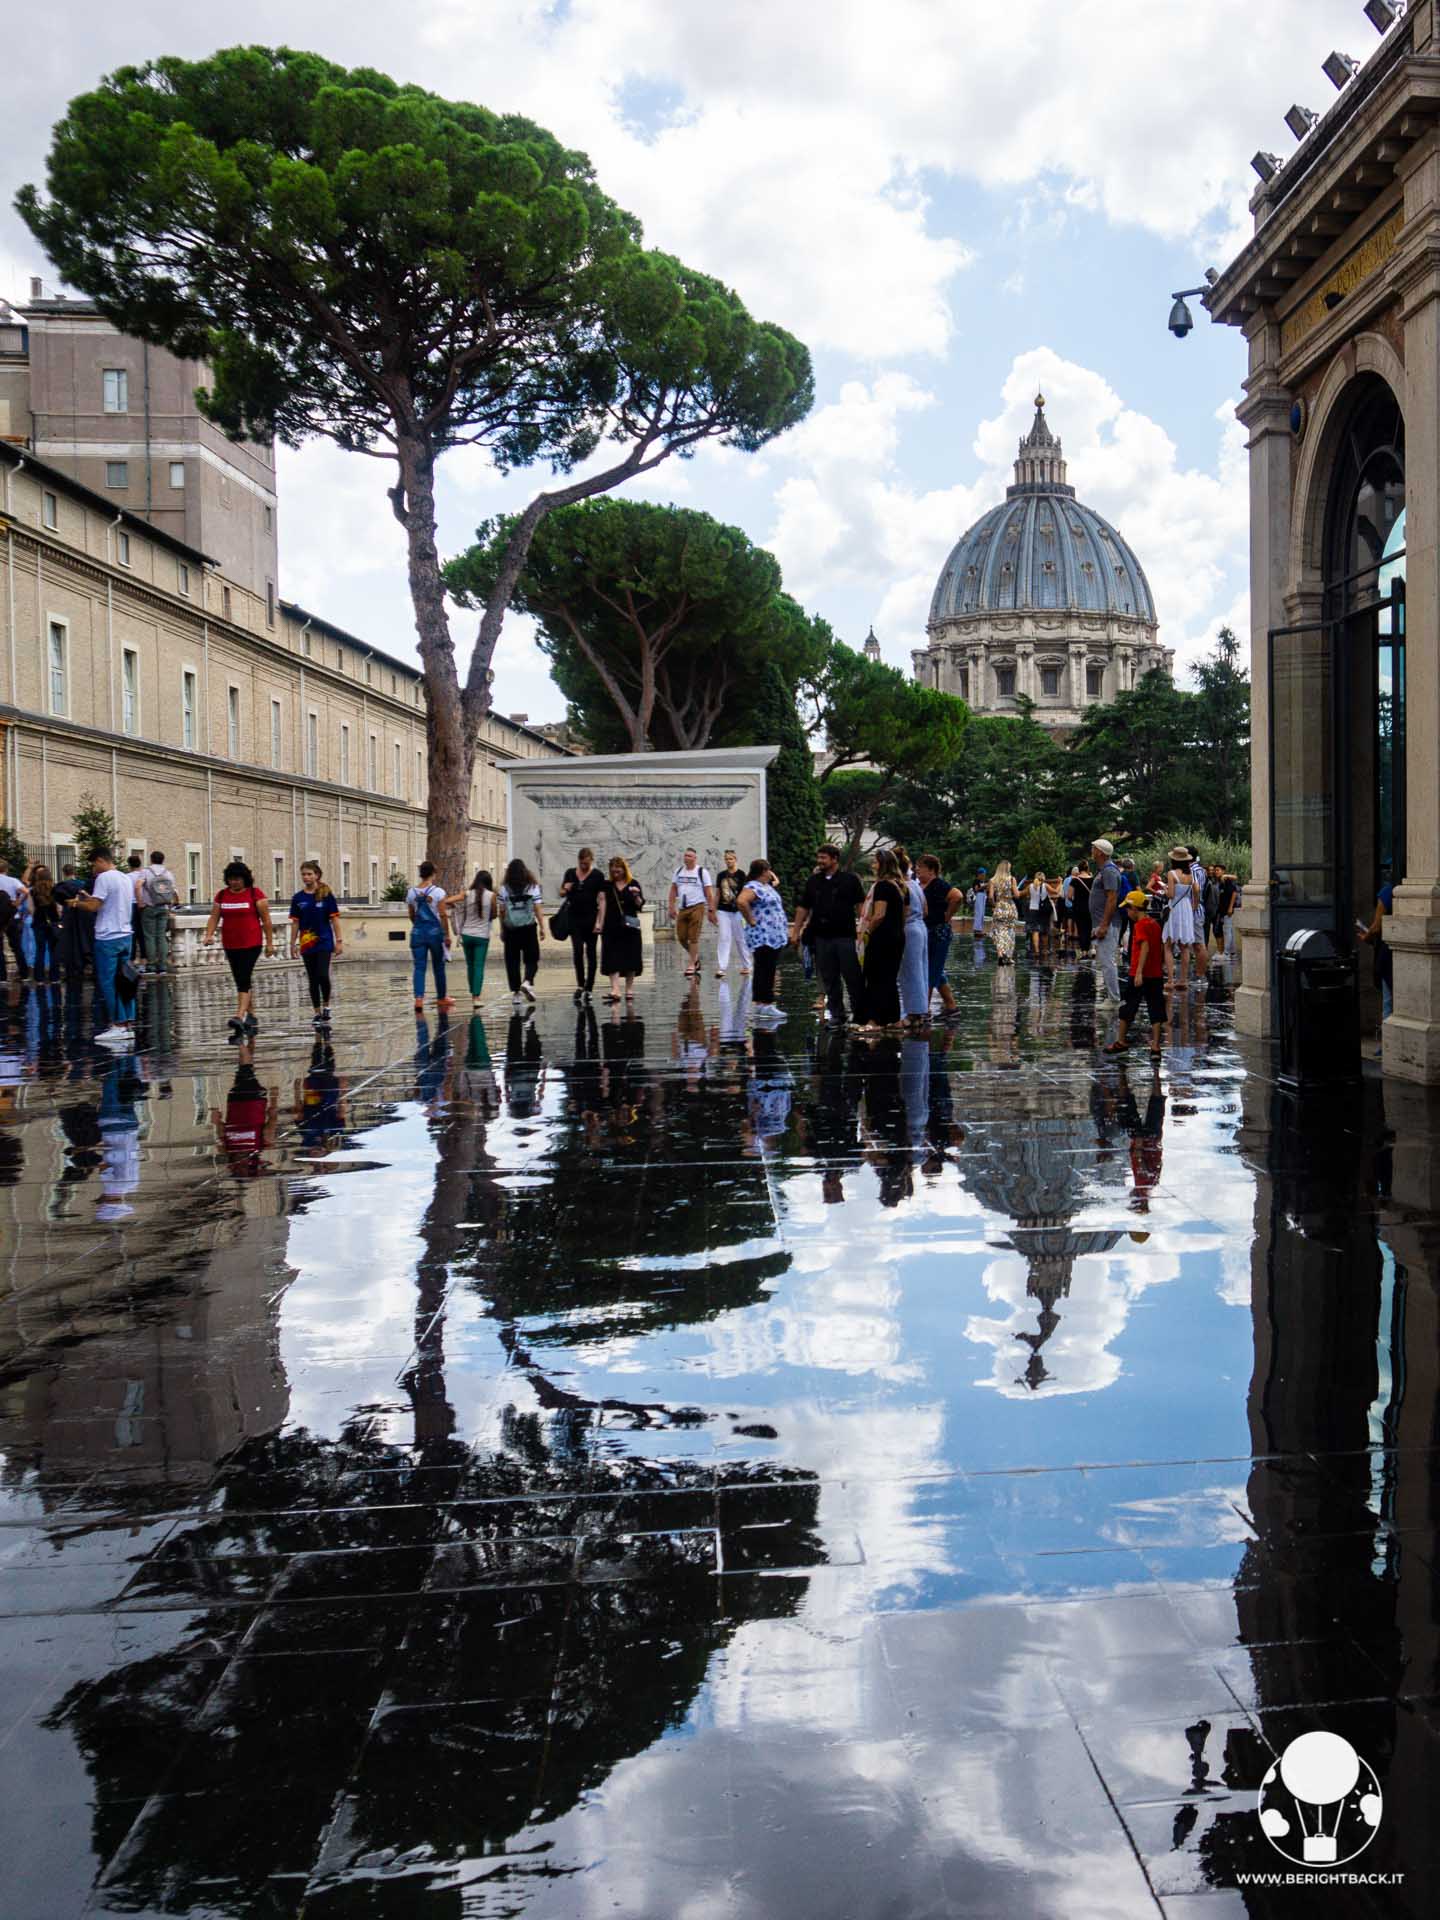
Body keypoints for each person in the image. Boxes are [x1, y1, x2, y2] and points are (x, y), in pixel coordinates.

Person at [793, 845, 866, 1024]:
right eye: (818, 857)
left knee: (852, 977)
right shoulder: (813, 881)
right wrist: (796, 930)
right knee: (829, 977)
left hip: (845, 936)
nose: (820, 861)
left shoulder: (850, 880)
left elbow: (860, 906)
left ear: (834, 859)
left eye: (823, 857)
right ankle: (837, 1015)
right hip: (821, 937)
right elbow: (803, 907)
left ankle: (860, 1014)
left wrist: (864, 929)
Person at [202, 860, 275, 1039]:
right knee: (240, 978)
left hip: (251, 943)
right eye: (231, 879)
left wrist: (270, 943)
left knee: (243, 976)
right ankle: (251, 1014)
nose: (234, 883)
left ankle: (239, 1015)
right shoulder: (222, 896)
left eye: (237, 879)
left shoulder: (255, 894)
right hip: (231, 943)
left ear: (245, 879)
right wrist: (209, 934)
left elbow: (266, 921)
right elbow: (214, 917)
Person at [73, 851, 138, 1046]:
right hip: (125, 934)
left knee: (108, 982)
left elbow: (94, 906)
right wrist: (89, 897)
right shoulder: (125, 878)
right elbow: (108, 902)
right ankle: (128, 1023)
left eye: (94, 865)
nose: (93, 870)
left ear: (101, 861)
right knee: (126, 980)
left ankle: (117, 1024)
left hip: (107, 936)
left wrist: (77, 903)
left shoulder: (103, 877)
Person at [1104, 890, 1169, 1057]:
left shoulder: (1140, 926)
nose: (1127, 912)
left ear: (1134, 908)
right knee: (1156, 1008)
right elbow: (1160, 946)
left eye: (1128, 908)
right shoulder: (1154, 924)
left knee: (1128, 1007)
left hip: (1139, 974)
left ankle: (1121, 1041)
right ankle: (1155, 1045)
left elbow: (1144, 947)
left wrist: (1139, 972)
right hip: (1155, 974)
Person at [288, 861, 343, 1027]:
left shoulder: (326, 895)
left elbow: (334, 919)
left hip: (324, 941)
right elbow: (295, 923)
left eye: (309, 874)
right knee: (312, 978)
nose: (306, 877)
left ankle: (326, 1006)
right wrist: (292, 943)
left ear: (317, 875)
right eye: (304, 874)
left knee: (322, 975)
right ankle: (317, 1012)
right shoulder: (298, 898)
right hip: (307, 943)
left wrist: (339, 940)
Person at [859, 848, 907, 1027]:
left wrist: (867, 932)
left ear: (883, 865)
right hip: (896, 937)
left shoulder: (883, 886)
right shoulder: (899, 885)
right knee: (889, 979)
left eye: (875, 862)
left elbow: (879, 914)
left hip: (882, 938)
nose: (872, 865)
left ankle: (874, 1020)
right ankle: (892, 1019)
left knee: (875, 977)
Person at [737, 857, 788, 1023]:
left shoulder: (765, 886)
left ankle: (764, 1002)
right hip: (763, 934)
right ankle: (764, 1002)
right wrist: (751, 919)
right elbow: (741, 901)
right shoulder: (753, 886)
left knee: (769, 967)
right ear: (764, 871)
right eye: (768, 870)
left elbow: (775, 881)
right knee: (764, 967)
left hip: (773, 935)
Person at [406, 861, 453, 1012]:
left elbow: (411, 914)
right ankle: (441, 997)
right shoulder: (438, 892)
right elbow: (443, 914)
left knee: (419, 967)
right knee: (438, 966)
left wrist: (418, 925)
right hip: (434, 933)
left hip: (417, 933)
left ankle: (418, 999)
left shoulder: (411, 892)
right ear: (433, 873)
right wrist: (446, 934)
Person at [917, 854, 961, 1016]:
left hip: (939, 932)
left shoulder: (938, 885)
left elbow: (957, 896)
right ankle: (951, 1006)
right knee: (937, 970)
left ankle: (923, 1009)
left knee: (931, 970)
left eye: (920, 867)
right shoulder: (923, 885)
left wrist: (947, 916)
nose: (917, 870)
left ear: (931, 870)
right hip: (929, 930)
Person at [559, 847, 605, 1002]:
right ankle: (580, 984)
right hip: (574, 919)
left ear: (591, 861)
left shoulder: (598, 876)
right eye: (581, 863)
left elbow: (601, 899)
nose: (584, 866)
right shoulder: (570, 873)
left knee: (591, 953)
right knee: (577, 951)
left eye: (586, 864)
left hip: (591, 918)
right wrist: (565, 889)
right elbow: (561, 892)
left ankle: (589, 987)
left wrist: (599, 921)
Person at [498, 856, 545, 1007]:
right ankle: (527, 981)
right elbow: (537, 907)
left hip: (511, 928)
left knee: (512, 961)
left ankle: (516, 993)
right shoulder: (532, 886)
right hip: (529, 927)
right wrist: (543, 927)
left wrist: (502, 928)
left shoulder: (504, 888)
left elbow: (502, 911)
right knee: (532, 958)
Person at [892, 845, 929, 1029]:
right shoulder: (915, 884)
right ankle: (919, 1011)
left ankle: (912, 1014)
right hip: (920, 927)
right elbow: (925, 910)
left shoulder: (901, 886)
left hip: (908, 928)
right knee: (920, 971)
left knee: (909, 972)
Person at [599, 855, 644, 1003]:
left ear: (624, 870)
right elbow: (602, 904)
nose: (615, 874)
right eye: (613, 871)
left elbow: (639, 905)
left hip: (630, 926)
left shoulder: (633, 883)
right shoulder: (607, 885)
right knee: (612, 956)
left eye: (618, 871)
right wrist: (600, 923)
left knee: (631, 956)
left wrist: (636, 895)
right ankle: (615, 989)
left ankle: (629, 989)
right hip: (611, 925)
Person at [446, 868, 495, 1007]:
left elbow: (447, 901)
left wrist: (456, 907)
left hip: (466, 935)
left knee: (470, 965)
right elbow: (494, 914)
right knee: (479, 966)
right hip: (482, 936)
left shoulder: (467, 894)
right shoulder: (491, 895)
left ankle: (472, 992)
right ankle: (476, 997)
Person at [668, 849, 715, 979]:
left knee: (693, 936)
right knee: (682, 937)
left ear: (695, 858)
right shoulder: (678, 871)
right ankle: (695, 958)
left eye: (689, 856)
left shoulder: (702, 872)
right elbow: (673, 889)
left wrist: (711, 909)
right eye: (685, 855)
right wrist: (671, 906)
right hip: (683, 907)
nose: (686, 857)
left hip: (697, 906)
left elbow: (709, 892)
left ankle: (691, 964)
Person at [1090, 838, 1124, 1001]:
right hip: (1103, 922)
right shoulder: (1104, 870)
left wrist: (1104, 925)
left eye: (1094, 848)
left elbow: (1112, 899)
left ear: (1100, 852)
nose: (1092, 850)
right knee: (1105, 961)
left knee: (1107, 961)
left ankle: (1114, 998)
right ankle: (1112, 996)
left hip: (1108, 924)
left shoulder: (1109, 871)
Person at [1359, 877, 1395, 1024]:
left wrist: (1366, 937)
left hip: (1387, 952)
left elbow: (1376, 927)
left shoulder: (1387, 892)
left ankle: (1386, 1045)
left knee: (1388, 1002)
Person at [1164, 845, 1199, 991]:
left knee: (1168, 945)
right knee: (1185, 946)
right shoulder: (1191, 875)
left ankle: (1171, 980)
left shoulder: (1171, 874)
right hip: (1186, 909)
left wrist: (1165, 890)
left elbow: (1171, 895)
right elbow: (1197, 890)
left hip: (1174, 909)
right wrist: (1194, 905)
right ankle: (1183, 980)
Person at [137, 852, 179, 975]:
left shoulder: (145, 872)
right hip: (164, 907)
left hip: (149, 907)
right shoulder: (168, 873)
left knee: (149, 936)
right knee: (161, 936)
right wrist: (171, 905)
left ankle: (151, 965)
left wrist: (140, 902)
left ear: (151, 859)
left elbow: (137, 886)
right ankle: (162, 965)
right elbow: (174, 891)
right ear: (162, 860)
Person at [714, 850, 750, 978]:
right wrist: (712, 910)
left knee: (740, 938)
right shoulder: (721, 875)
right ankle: (722, 967)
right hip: (723, 910)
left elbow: (746, 893)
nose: (728, 861)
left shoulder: (742, 875)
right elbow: (718, 894)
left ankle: (747, 965)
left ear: (735, 860)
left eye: (730, 859)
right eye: (726, 859)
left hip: (738, 911)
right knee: (724, 937)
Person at [53, 864, 92, 982]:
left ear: (63, 873)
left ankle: (71, 969)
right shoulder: (82, 884)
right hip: (81, 915)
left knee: (69, 942)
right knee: (82, 940)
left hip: (68, 915)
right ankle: (83, 965)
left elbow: (58, 901)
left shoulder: (61, 886)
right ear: (74, 871)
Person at [25, 865, 61, 984]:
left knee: (40, 950)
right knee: (53, 950)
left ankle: (39, 978)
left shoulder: (32, 891)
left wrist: (38, 914)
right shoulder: (55, 890)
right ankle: (54, 977)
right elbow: (59, 908)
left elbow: (30, 909)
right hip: (53, 923)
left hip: (38, 923)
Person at [0, 858, 30, 983]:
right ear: (6, 869)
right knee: (17, 946)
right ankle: (24, 974)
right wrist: (18, 903)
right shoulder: (13, 880)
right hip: (12, 915)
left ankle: (2, 976)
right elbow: (26, 892)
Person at [988, 859, 1020, 964]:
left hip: (999, 907)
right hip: (1010, 907)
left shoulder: (993, 880)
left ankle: (1000, 955)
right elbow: (1017, 895)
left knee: (999, 932)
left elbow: (990, 897)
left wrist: (994, 905)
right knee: (1010, 932)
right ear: (1007, 868)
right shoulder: (1012, 879)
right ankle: (1009, 957)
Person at [1071, 861, 1093, 957]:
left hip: (1078, 907)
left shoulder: (1075, 880)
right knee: (1089, 928)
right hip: (1090, 907)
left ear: (1079, 869)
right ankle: (1089, 949)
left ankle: (1083, 950)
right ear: (1088, 869)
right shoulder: (1093, 880)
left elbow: (1069, 895)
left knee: (1081, 928)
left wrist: (1074, 900)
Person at [970, 868, 988, 941]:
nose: (984, 876)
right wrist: (984, 886)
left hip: (983, 896)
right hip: (978, 896)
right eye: (983, 875)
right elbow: (976, 890)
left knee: (982, 914)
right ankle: (976, 930)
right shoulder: (976, 881)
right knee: (978, 913)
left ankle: (980, 930)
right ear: (979, 874)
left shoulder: (982, 881)